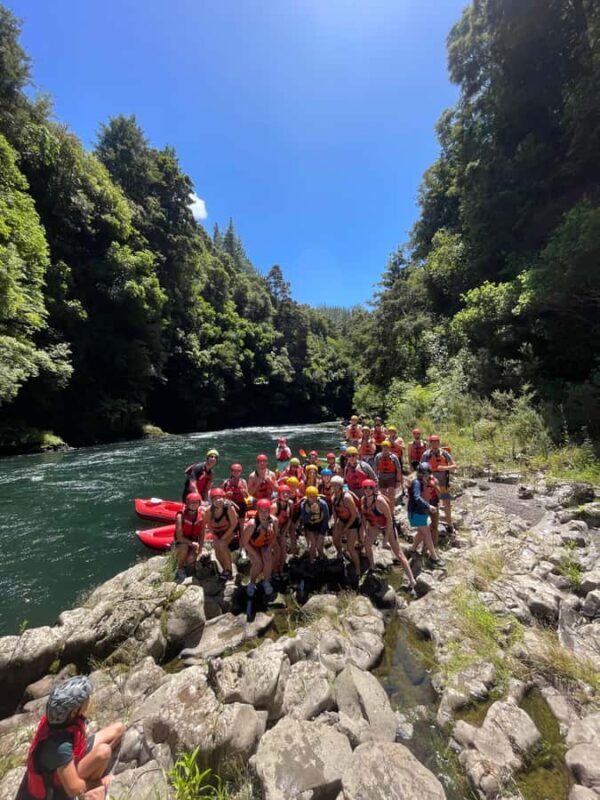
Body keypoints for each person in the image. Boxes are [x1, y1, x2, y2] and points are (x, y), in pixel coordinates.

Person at [19, 675, 124, 800]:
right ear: (74, 711)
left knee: (118, 729)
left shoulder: (59, 721)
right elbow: (73, 789)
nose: (88, 700)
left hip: (70, 760)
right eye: (85, 699)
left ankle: (88, 772)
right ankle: (89, 789)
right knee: (103, 752)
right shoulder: (59, 746)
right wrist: (102, 782)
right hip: (57, 789)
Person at [360, 480, 416, 591]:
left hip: (387, 526)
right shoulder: (363, 500)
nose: (367, 490)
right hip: (374, 525)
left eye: (370, 488)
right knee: (366, 544)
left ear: (374, 489)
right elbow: (364, 517)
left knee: (398, 553)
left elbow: (390, 520)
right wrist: (364, 531)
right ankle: (372, 567)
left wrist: (385, 540)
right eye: (365, 488)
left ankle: (412, 580)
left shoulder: (380, 501)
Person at [407, 463, 443, 566]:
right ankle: (434, 557)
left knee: (422, 533)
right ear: (421, 474)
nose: (428, 476)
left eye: (428, 474)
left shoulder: (421, 481)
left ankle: (413, 549)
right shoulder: (417, 483)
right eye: (426, 474)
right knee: (427, 533)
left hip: (419, 512)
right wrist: (428, 506)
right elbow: (417, 497)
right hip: (416, 512)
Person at [421, 435, 457, 535]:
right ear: (430, 443)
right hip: (431, 485)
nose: (434, 444)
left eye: (436, 442)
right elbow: (420, 470)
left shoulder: (445, 453)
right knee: (430, 504)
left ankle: (450, 525)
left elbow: (454, 467)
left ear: (439, 442)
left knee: (447, 504)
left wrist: (444, 468)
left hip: (443, 484)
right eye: (432, 442)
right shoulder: (426, 455)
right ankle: (429, 527)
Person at [243, 498, 277, 600]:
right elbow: (245, 542)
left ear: (269, 511)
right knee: (258, 563)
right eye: (261, 511)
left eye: (266, 511)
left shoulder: (274, 521)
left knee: (268, 558)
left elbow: (274, 535)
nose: (263, 514)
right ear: (257, 510)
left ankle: (266, 581)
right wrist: (256, 555)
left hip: (265, 544)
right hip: (252, 545)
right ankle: (252, 582)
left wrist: (269, 548)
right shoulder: (252, 524)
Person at [202, 488, 238, 581]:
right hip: (217, 532)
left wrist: (224, 537)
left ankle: (229, 570)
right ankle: (224, 570)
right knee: (217, 548)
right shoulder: (209, 511)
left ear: (224, 498)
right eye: (215, 499)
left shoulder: (229, 508)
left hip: (229, 531)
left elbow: (234, 524)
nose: (218, 501)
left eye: (220, 498)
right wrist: (213, 533)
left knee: (222, 545)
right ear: (212, 501)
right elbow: (206, 523)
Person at [330, 476, 361, 579]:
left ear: (340, 486)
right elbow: (335, 510)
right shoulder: (333, 496)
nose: (333, 487)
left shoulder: (347, 497)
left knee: (350, 546)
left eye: (336, 485)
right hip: (342, 519)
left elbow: (354, 515)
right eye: (332, 484)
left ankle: (358, 570)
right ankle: (340, 553)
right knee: (335, 539)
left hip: (353, 521)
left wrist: (346, 528)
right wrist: (335, 523)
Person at [174, 492, 203, 580]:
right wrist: (192, 543)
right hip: (182, 542)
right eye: (192, 502)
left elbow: (202, 534)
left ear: (199, 503)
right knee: (184, 548)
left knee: (190, 559)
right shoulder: (180, 516)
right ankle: (180, 568)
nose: (194, 504)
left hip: (194, 542)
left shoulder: (202, 515)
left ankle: (186, 563)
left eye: (196, 502)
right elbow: (179, 537)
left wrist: (200, 548)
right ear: (187, 503)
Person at [299, 486, 330, 563]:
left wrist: (322, 533)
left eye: (314, 497)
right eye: (310, 497)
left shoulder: (322, 504)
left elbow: (326, 518)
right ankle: (311, 562)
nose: (312, 499)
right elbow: (305, 520)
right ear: (307, 497)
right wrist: (311, 512)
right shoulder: (303, 504)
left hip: (320, 525)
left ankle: (322, 559)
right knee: (312, 545)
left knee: (319, 545)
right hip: (310, 525)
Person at [271, 483, 294, 575]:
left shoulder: (290, 504)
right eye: (283, 493)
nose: (285, 495)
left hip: (281, 530)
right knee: (277, 552)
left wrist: (284, 532)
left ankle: (281, 570)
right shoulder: (275, 506)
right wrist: (276, 534)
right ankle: (273, 571)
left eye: (287, 493)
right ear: (279, 494)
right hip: (272, 531)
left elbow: (289, 519)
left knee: (284, 551)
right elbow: (270, 523)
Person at [374, 440, 403, 510]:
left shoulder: (394, 457)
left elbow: (398, 469)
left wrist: (398, 481)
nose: (385, 449)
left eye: (387, 447)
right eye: (384, 447)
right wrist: (375, 480)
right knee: (383, 496)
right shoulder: (378, 456)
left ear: (389, 448)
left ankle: (391, 512)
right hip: (381, 478)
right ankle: (385, 511)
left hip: (391, 478)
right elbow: (375, 468)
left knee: (391, 495)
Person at [222, 463, 248, 532]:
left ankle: (241, 536)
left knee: (241, 524)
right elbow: (221, 496)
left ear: (240, 472)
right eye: (234, 471)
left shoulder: (243, 482)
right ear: (231, 472)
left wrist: (244, 492)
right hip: (230, 504)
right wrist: (226, 494)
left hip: (241, 504)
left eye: (238, 471)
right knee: (231, 522)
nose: (236, 473)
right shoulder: (226, 482)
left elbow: (247, 496)